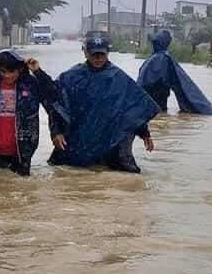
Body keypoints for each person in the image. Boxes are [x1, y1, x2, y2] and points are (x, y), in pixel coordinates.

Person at [48, 35, 161, 173]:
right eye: (94, 54)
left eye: (102, 54)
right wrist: (56, 132)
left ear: (108, 53)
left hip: (110, 135)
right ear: (85, 52)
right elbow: (57, 107)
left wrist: (145, 133)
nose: (98, 59)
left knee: (123, 174)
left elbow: (132, 109)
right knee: (68, 169)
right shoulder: (71, 77)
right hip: (82, 135)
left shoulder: (118, 78)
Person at [0, 49, 59, 176]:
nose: (7, 76)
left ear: (20, 70)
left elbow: (52, 93)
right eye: (3, 71)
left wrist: (37, 71)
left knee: (21, 189)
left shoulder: (31, 85)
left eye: (11, 72)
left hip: (22, 150)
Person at [138, 30, 212, 115]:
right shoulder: (165, 58)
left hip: (144, 99)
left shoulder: (150, 59)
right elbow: (181, 83)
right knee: (159, 114)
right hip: (157, 97)